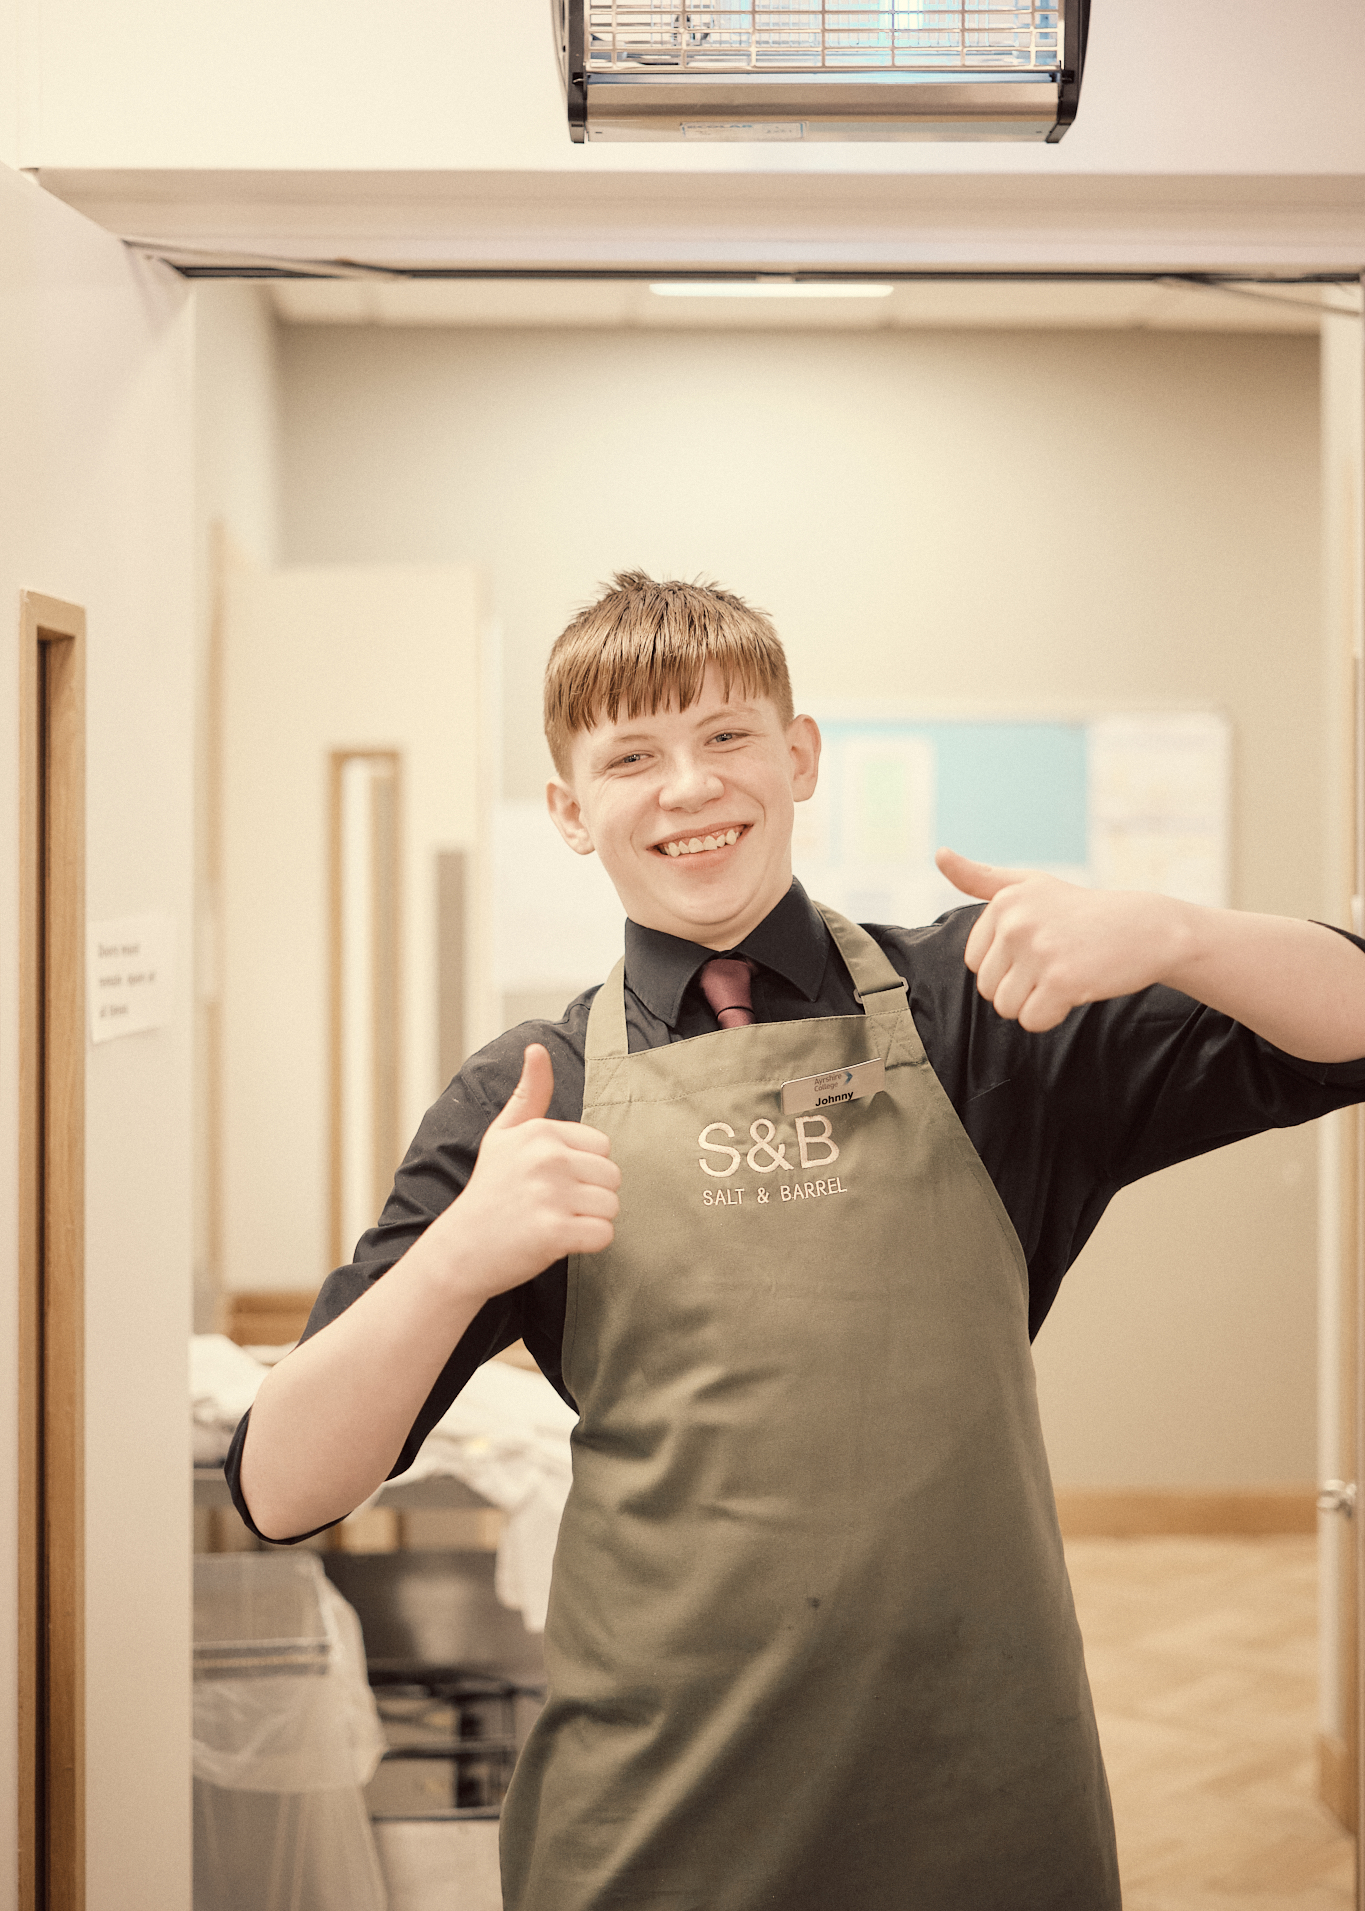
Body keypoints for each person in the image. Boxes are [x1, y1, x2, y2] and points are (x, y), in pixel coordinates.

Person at [230, 571, 1365, 1911]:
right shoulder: (530, 1093)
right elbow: (280, 1490)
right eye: (631, 757)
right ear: (570, 810)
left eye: (726, 735)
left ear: (799, 755)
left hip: (979, 1785)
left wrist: (1175, 932)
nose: (689, 787)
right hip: (660, 1809)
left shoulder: (982, 1012)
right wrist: (457, 1257)